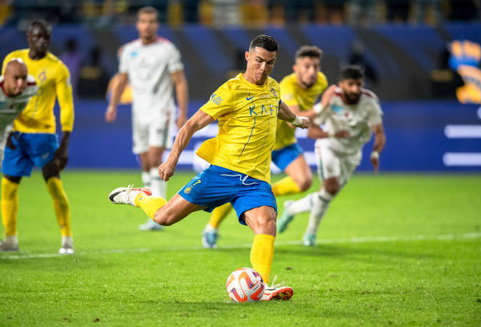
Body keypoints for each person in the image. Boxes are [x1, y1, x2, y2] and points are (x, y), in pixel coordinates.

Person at [108, 35, 310, 301]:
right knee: (164, 217)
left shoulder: (273, 87)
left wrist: (295, 119)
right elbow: (191, 124)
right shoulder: (230, 90)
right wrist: (171, 159)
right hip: (222, 174)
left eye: (270, 63)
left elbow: (277, 106)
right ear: (248, 57)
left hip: (256, 180)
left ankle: (259, 287)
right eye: (259, 61)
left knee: (266, 224)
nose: (263, 68)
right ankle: (139, 197)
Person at [201, 45, 329, 249]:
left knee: (304, 181)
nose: (312, 72)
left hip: (285, 143)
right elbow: (292, 118)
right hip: (258, 147)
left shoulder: (321, 82)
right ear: (296, 68)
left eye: (315, 66)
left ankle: (270, 195)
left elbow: (309, 115)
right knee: (235, 189)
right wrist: (323, 107)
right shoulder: (287, 87)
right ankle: (211, 228)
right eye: (307, 66)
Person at [277, 65, 386, 246]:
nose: (355, 89)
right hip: (329, 147)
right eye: (350, 84)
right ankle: (310, 235)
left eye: (359, 84)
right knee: (331, 186)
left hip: (352, 154)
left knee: (327, 195)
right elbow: (311, 130)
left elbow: (379, 131)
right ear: (341, 84)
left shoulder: (369, 101)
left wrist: (375, 153)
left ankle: (293, 209)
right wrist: (331, 135)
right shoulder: (332, 99)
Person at [105, 6, 188, 232]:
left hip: (161, 110)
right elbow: (122, 79)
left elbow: (179, 82)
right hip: (138, 113)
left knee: (154, 159)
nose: (147, 25)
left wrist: (182, 112)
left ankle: (158, 214)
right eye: (143, 21)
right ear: (137, 24)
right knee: (144, 162)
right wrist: (113, 105)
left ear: (156, 25)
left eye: (151, 21)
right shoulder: (129, 51)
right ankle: (151, 208)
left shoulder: (167, 50)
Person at [0, 20, 75, 254]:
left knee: (53, 185)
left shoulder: (57, 68)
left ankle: (67, 238)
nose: (43, 41)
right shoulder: (13, 60)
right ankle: (10, 240)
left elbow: (66, 106)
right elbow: (6, 96)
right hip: (16, 133)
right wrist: (7, 129)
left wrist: (63, 145)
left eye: (47, 37)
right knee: (8, 187)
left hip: (43, 135)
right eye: (38, 37)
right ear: (29, 38)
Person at [0, 59, 37, 165]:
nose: (20, 83)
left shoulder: (32, 87)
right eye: (16, 78)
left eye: (23, 78)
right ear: (5, 77)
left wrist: (10, 129)